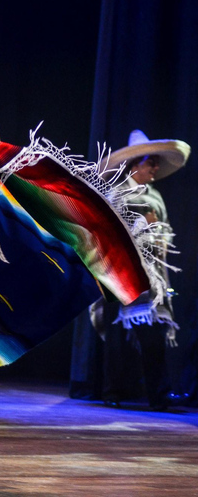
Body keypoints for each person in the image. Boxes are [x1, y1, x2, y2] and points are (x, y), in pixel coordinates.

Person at [95, 129, 190, 410]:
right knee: (117, 336)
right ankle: (112, 392)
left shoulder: (156, 196)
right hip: (120, 273)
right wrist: (142, 226)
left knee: (153, 337)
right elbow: (107, 230)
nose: (155, 168)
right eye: (151, 163)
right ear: (136, 164)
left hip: (150, 276)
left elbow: (165, 230)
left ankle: (159, 395)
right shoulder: (116, 192)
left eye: (156, 164)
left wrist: (159, 233)